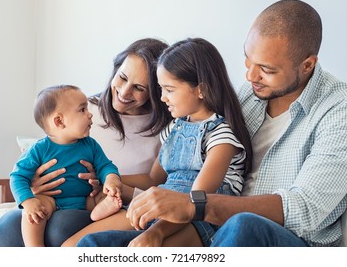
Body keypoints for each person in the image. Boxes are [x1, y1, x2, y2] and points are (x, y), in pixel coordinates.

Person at [77, 0, 347, 247]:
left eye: (267, 69)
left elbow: (305, 209)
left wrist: (196, 205)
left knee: (243, 225)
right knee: (93, 246)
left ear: (308, 65)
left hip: (285, 240)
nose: (250, 75)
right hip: (213, 225)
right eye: (248, 59)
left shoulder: (337, 110)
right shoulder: (248, 96)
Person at [61, 37, 252, 247]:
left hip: (197, 221)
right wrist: (108, 177)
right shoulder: (174, 129)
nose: (162, 98)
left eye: (169, 90)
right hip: (159, 208)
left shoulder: (221, 138)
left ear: (201, 90)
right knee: (77, 246)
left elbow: (196, 202)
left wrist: (155, 233)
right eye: (161, 89)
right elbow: (153, 178)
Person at [0, 38, 171, 247]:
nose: (124, 92)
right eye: (122, 77)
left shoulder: (167, 128)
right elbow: (30, 166)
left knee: (60, 227)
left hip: (103, 200)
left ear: (157, 91)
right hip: (53, 197)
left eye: (139, 87)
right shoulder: (83, 109)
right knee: (6, 227)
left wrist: (107, 179)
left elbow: (155, 181)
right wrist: (33, 187)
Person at [10, 84, 123, 246]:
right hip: (52, 200)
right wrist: (28, 201)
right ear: (59, 121)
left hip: (86, 199)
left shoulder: (90, 145)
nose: (90, 114)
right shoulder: (39, 149)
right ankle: (34, 249)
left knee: (106, 197)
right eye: (82, 109)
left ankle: (100, 211)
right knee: (35, 212)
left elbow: (105, 165)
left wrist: (111, 179)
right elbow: (18, 176)